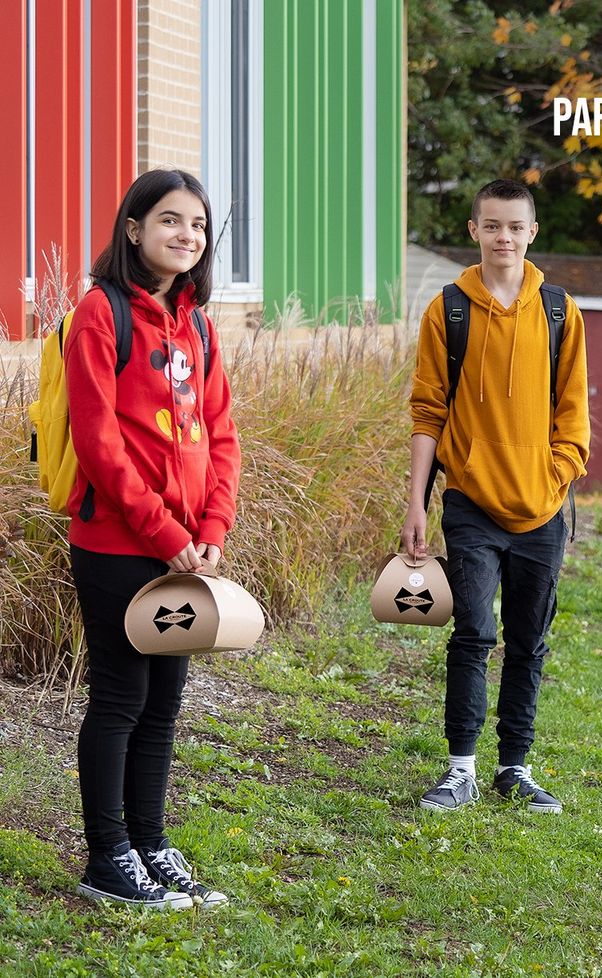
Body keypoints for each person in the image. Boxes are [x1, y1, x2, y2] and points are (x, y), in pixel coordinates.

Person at [65, 169, 240, 909]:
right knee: (120, 698)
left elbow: (223, 433)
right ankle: (108, 857)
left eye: (197, 225)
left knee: (165, 701)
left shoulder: (198, 323)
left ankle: (149, 841)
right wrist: (166, 531)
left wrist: (211, 529)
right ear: (133, 229)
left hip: (185, 548)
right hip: (117, 542)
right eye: (170, 221)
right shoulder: (102, 314)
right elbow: (99, 441)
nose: (186, 236)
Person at [401, 179, 590, 814]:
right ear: (474, 230)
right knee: (475, 630)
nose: (503, 237)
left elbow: (574, 415)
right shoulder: (447, 310)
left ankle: (516, 766)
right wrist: (415, 505)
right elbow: (428, 413)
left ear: (532, 233)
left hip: (542, 509)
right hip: (471, 503)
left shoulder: (561, 311)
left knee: (530, 637)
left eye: (515, 227)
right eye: (492, 226)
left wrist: (555, 475)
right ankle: (460, 768)